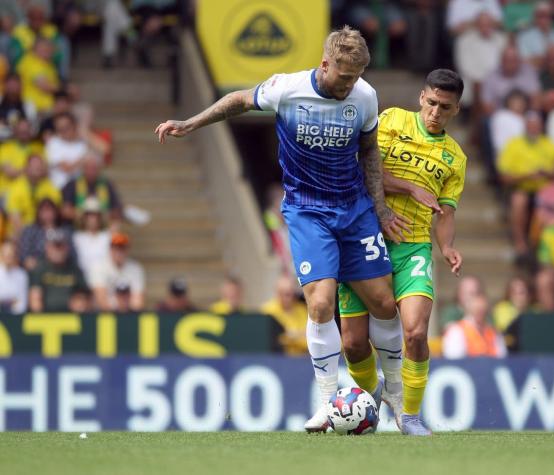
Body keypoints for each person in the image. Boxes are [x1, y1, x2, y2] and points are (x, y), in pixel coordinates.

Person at [155, 27, 407, 434]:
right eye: (344, 76)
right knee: (321, 304)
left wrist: (378, 207)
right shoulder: (287, 89)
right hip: (308, 212)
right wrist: (192, 123)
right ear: (325, 64)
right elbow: (238, 101)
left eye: (356, 76)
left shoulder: (364, 95)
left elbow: (370, 151)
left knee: (382, 303)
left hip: (355, 210)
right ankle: (328, 402)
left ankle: (396, 396)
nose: (350, 85)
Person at [337, 69, 466, 436]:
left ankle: (409, 415)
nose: (435, 112)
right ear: (421, 96)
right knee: (353, 342)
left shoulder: (455, 158)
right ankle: (372, 396)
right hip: (366, 239)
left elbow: (447, 212)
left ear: (456, 109)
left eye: (445, 107)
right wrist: (410, 187)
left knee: (415, 333)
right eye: (431, 102)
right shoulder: (392, 119)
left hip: (412, 249)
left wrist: (447, 246)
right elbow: (363, 167)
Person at [497, 111, 554, 257]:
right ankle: (520, 243)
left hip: (545, 190)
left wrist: (546, 174)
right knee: (519, 200)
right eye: (530, 126)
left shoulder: (550, 145)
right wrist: (527, 176)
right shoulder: (513, 144)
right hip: (521, 187)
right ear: (525, 126)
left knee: (550, 201)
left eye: (536, 126)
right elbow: (504, 176)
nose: (533, 129)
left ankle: (543, 244)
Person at [451, 11, 507, 107]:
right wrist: (482, 80)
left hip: (497, 78)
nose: (485, 28)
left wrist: (491, 79)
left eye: (488, 24)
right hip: (473, 80)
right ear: (476, 25)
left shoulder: (502, 39)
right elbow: (464, 66)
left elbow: (504, 63)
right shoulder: (464, 40)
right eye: (482, 24)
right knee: (473, 88)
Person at [28, 228, 88, 312]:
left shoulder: (74, 269)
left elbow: (84, 295)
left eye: (61, 246)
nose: (58, 251)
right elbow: (35, 300)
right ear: (47, 248)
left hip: (71, 317)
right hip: (46, 318)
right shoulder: (40, 269)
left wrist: (79, 300)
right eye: (55, 246)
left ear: (67, 248)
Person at [5, 154, 60, 237]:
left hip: (44, 232)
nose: (37, 168)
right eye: (33, 166)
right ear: (26, 168)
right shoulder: (16, 187)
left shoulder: (50, 187)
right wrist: (28, 237)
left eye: (39, 166)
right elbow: (15, 218)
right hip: (21, 233)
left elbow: (54, 215)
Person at [88, 232, 145, 312]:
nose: (119, 252)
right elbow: (101, 300)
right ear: (110, 249)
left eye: (122, 248)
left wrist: (123, 309)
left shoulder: (135, 268)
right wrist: (119, 307)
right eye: (116, 248)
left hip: (129, 314)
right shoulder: (99, 267)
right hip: (104, 314)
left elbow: (138, 302)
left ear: (127, 250)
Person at [61, 152, 122, 225]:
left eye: (94, 168)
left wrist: (101, 216)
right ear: (83, 169)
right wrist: (85, 215)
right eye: (88, 168)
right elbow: (65, 210)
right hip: (77, 227)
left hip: (102, 226)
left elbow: (117, 209)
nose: (91, 172)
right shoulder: (72, 184)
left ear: (99, 169)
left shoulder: (107, 185)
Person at [480, 45, 541, 114]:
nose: (510, 64)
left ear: (519, 61)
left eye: (513, 60)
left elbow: (536, 100)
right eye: (507, 60)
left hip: (527, 113)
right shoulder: (491, 76)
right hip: (500, 114)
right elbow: (486, 106)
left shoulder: (529, 72)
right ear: (501, 61)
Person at [442, 294, 506, 359]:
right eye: (476, 310)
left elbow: (501, 357)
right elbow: (454, 360)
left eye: (483, 310)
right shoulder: (456, 331)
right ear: (468, 310)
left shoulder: (493, 333)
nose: (480, 314)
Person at [18, 197, 72, 271]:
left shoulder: (64, 231)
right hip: (36, 268)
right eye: (43, 211)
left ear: (55, 212)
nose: (47, 214)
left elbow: (71, 253)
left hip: (60, 268)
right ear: (38, 213)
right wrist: (28, 261)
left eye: (49, 210)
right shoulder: (30, 231)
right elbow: (23, 253)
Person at [261, 276, 308, 356]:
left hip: (302, 357)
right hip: (276, 358)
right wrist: (297, 335)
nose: (288, 298)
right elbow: (268, 339)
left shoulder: (302, 310)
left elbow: (309, 338)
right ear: (277, 293)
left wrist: (289, 336)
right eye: (285, 294)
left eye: (291, 294)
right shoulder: (267, 310)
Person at [516, 2, 554, 68]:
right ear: (535, 18)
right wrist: (551, 58)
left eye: (548, 16)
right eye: (542, 16)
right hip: (533, 75)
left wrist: (539, 59)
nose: (545, 19)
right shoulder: (524, 37)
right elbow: (524, 62)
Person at [0, 117, 43, 198]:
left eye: (26, 130)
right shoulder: (5, 148)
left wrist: (19, 170)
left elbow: (44, 171)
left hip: (33, 190)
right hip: (7, 191)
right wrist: (31, 170)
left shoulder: (39, 147)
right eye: (21, 131)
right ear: (15, 131)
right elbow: (10, 173)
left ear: (31, 131)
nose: (23, 133)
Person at [15, 38, 59, 114]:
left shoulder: (49, 64)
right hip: (32, 106)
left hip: (47, 106)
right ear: (34, 49)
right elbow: (44, 85)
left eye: (49, 48)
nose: (47, 51)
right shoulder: (29, 62)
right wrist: (64, 89)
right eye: (44, 48)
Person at [45, 112, 88, 190]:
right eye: (60, 129)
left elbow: (104, 150)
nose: (64, 131)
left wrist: (86, 134)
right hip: (60, 187)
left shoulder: (82, 144)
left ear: (74, 126)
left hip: (81, 187)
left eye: (67, 127)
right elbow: (67, 168)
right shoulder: (53, 143)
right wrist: (85, 158)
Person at [72, 196, 110, 274]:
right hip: (82, 280)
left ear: (100, 217)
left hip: (103, 280)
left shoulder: (108, 237)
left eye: (95, 215)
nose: (93, 218)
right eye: (89, 215)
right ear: (84, 217)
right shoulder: (76, 237)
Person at [489, 89, 527, 156]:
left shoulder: (528, 118)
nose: (518, 104)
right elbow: (499, 143)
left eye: (520, 101)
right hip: (507, 155)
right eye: (515, 101)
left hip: (526, 154)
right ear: (508, 102)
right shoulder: (501, 116)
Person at [0, 241, 28, 314]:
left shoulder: (21, 275)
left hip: (15, 317)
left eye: (10, 255)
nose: (8, 257)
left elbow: (22, 303)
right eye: (5, 254)